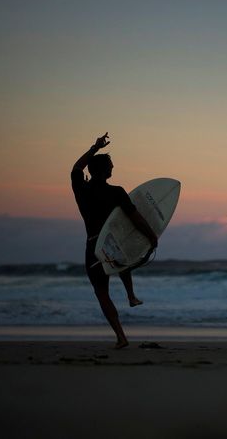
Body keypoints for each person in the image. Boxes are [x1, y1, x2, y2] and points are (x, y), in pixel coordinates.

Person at [71, 132, 158, 349]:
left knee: (102, 293)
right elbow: (136, 219)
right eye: (110, 165)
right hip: (114, 245)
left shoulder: (81, 190)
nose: (113, 168)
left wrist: (94, 148)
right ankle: (130, 294)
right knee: (121, 257)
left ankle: (121, 336)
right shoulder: (117, 192)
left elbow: (75, 169)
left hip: (93, 246)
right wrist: (152, 237)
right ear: (104, 170)